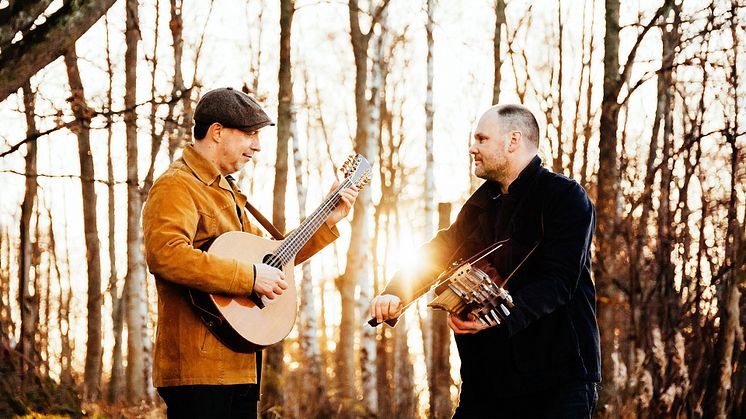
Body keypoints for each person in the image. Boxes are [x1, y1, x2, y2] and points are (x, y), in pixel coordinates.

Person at [369, 104, 600, 418]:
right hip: (488, 382)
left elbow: (559, 281)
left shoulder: (564, 197)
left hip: (557, 382)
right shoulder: (483, 201)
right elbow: (443, 248)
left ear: (512, 141)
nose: (472, 148)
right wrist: (396, 290)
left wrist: (498, 316)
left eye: (481, 139)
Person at [142, 87, 358, 418]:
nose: (256, 146)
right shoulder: (177, 185)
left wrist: (328, 218)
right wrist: (249, 277)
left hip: (241, 365)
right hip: (198, 369)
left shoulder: (229, 190)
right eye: (250, 134)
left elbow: (274, 258)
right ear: (217, 132)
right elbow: (165, 254)